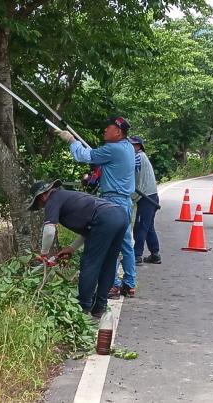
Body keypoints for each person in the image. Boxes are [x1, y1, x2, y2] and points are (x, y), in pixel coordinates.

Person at [56, 117, 136, 298]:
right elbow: (97, 156)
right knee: (125, 245)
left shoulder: (113, 149)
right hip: (125, 200)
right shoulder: (128, 147)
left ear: (118, 131)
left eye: (107, 128)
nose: (104, 131)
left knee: (112, 245)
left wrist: (71, 141)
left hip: (113, 201)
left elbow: (82, 156)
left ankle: (114, 284)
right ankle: (129, 284)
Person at [28, 179, 128, 318]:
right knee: (108, 264)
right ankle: (100, 307)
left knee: (89, 264)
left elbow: (49, 230)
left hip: (105, 219)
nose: (42, 206)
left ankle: (83, 308)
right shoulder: (67, 197)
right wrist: (72, 248)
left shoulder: (53, 199)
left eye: (39, 203)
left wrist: (43, 254)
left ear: (42, 196)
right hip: (120, 215)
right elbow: (90, 232)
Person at [128, 136, 161, 265]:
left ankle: (137, 256)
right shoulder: (142, 157)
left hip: (147, 197)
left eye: (132, 145)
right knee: (148, 226)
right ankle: (155, 254)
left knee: (140, 227)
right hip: (151, 196)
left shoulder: (139, 157)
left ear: (138, 146)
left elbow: (128, 167)